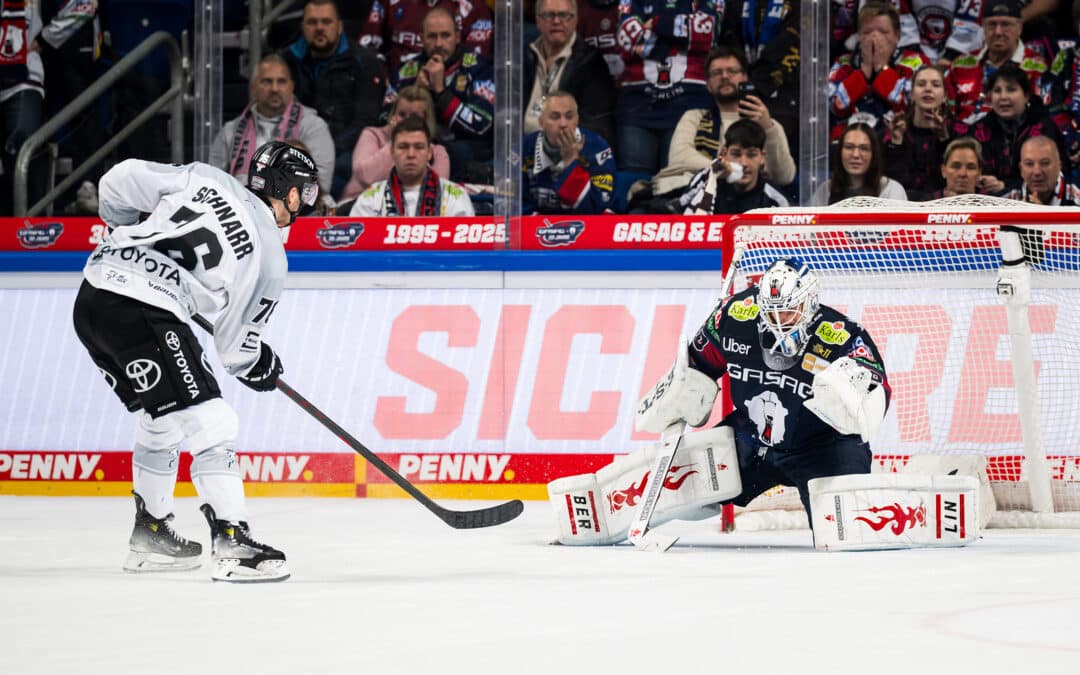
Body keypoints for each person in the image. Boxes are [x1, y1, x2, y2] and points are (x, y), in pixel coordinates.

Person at [71, 141, 321, 583]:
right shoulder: (270, 258)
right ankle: (232, 540)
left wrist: (125, 234)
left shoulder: (206, 177)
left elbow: (118, 179)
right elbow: (235, 352)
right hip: (144, 306)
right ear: (294, 194)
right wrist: (260, 364)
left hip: (93, 294)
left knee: (164, 417)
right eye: (308, 194)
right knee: (214, 420)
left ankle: (152, 534)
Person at [548, 258, 891, 543]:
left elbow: (877, 393)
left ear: (809, 303)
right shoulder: (736, 316)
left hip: (823, 448)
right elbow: (697, 364)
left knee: (848, 533)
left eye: (788, 312)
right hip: (751, 440)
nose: (777, 322)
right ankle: (594, 517)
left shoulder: (842, 336)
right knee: (679, 486)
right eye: (770, 312)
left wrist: (849, 392)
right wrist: (679, 395)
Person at [654, 45, 796, 201]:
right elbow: (679, 158)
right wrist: (729, 169)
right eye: (717, 73)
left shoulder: (766, 123)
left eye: (732, 71)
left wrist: (769, 128)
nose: (725, 76)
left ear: (744, 78)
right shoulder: (694, 117)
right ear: (708, 84)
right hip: (696, 199)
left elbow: (784, 176)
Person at [283, 0, 387, 198]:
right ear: (303, 27)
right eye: (312, 22)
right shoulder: (287, 62)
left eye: (326, 22)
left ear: (339, 27)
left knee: (343, 171)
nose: (319, 28)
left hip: (346, 150)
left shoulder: (366, 63)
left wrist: (323, 150)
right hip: (298, 146)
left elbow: (365, 121)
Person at [614, 0, 722, 174]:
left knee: (678, 181)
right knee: (632, 185)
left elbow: (707, 33)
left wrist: (656, 23)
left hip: (690, 106)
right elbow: (627, 37)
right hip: (637, 107)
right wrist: (675, 42)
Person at [209, 53, 335, 202]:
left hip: (298, 208)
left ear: (291, 86)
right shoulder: (230, 131)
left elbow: (321, 184)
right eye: (267, 82)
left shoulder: (313, 127)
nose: (274, 89)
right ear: (253, 87)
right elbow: (212, 183)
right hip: (243, 210)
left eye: (281, 82)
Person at [392, 6, 495, 184]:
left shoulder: (480, 68)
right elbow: (385, 119)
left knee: (453, 151)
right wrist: (417, 93)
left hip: (462, 149)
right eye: (432, 36)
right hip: (415, 145)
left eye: (445, 35)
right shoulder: (406, 71)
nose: (439, 44)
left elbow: (481, 125)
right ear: (422, 39)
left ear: (457, 36)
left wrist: (441, 92)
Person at [827, 1, 928, 141]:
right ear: (859, 35)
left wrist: (882, 68)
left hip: (897, 142)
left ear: (897, 35)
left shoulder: (916, 61)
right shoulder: (843, 62)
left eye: (883, 32)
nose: (875, 38)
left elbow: (914, 105)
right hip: (851, 142)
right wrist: (864, 71)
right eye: (867, 32)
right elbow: (834, 105)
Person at [955, 63, 1064, 191]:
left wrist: (1005, 187)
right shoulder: (979, 131)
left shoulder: (1045, 129)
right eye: (997, 91)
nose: (1003, 97)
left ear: (1026, 95)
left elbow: (1059, 177)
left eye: (1011, 90)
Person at [524, 0, 616, 147]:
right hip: (520, 153)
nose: (556, 21)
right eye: (548, 15)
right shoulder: (523, 58)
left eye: (564, 15)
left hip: (566, 152)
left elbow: (597, 127)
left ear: (575, 20)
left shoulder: (591, 63)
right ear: (537, 21)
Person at [341, 85, 451, 201]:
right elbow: (365, 177)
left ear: (426, 121)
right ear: (393, 114)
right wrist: (395, 142)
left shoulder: (437, 152)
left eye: (414, 117)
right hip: (359, 204)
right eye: (402, 115)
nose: (406, 121)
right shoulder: (372, 135)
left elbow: (437, 191)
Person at [945, 0, 1048, 124]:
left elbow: (1041, 118)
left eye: (1006, 24)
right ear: (983, 27)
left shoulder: (1037, 67)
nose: (998, 32)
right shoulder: (960, 65)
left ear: (1019, 28)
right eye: (992, 24)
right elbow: (945, 114)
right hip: (962, 138)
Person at [349, 117, 475, 216]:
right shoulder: (370, 198)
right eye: (403, 147)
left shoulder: (455, 196)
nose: (410, 154)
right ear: (392, 152)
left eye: (419, 147)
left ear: (430, 153)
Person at [522, 91, 615, 214]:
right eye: (555, 117)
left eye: (569, 116)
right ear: (541, 122)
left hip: (588, 227)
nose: (563, 124)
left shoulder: (598, 148)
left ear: (577, 120)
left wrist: (571, 161)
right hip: (537, 227)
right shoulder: (525, 147)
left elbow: (594, 209)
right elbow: (514, 202)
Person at [682, 118, 790, 214]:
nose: (743, 163)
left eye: (752, 155)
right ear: (724, 154)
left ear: (762, 157)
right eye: (736, 154)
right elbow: (681, 208)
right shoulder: (706, 180)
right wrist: (713, 176)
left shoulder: (775, 201)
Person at [884, 64, 959, 199]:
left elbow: (956, 184)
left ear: (945, 96)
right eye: (921, 84)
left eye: (935, 85)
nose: (928, 89)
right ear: (912, 94)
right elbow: (893, 189)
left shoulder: (958, 133)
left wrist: (944, 139)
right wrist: (896, 143)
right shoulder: (896, 131)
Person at [360, 0, 494, 73]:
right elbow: (366, 48)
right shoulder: (390, 2)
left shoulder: (474, 7)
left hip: (452, 89)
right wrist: (384, 77)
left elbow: (476, 62)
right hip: (398, 88)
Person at [812, 122, 907, 204]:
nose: (856, 155)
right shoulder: (825, 191)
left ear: (873, 154)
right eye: (849, 147)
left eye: (864, 148)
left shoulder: (891, 191)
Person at [1003, 134, 1080, 204]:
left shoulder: (1076, 196)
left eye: (1045, 163)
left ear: (1059, 166)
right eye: (1029, 164)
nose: (1037, 172)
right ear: (1021, 169)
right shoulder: (1003, 201)